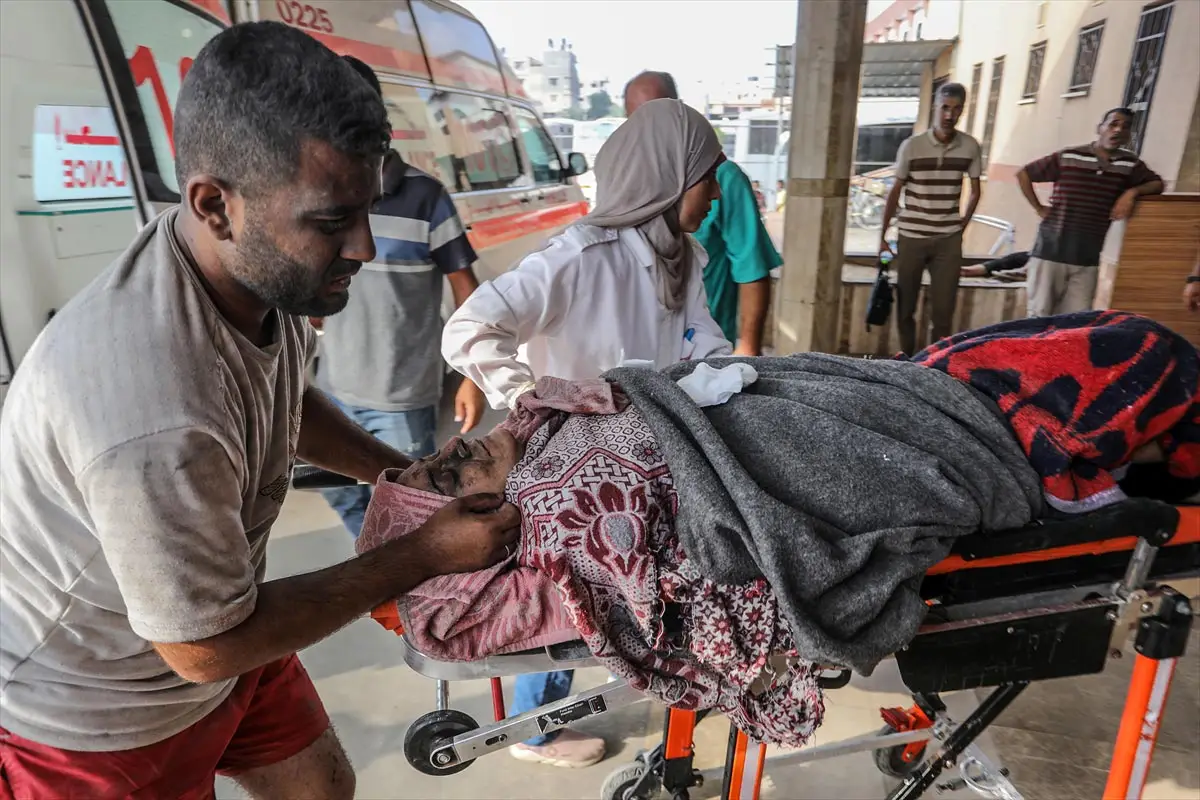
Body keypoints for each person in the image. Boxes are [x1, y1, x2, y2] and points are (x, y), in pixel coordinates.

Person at [0, 22, 519, 800]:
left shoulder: (239, 275)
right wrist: (422, 553)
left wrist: (406, 478)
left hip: (216, 618)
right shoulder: (152, 405)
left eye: (366, 209)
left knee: (319, 786)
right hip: (101, 710)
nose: (366, 248)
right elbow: (202, 648)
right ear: (215, 204)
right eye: (330, 221)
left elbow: (284, 394)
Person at [441, 97, 733, 768]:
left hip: (646, 462)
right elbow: (468, 329)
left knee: (628, 593)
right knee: (572, 603)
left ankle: (655, 678)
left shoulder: (681, 256)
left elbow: (701, 341)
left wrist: (734, 378)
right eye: (707, 176)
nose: (716, 192)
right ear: (666, 175)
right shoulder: (579, 256)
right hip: (572, 471)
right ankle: (535, 733)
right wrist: (539, 397)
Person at [313, 55, 487, 540]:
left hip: (401, 396)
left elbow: (465, 290)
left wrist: (472, 375)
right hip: (332, 389)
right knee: (340, 490)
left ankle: (409, 593)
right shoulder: (318, 191)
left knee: (412, 512)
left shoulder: (426, 197)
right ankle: (378, 566)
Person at [624, 70, 780, 355]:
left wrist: (748, 347)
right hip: (645, 353)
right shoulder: (626, 182)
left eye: (660, 114)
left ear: (680, 111)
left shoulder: (725, 178)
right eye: (638, 119)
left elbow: (751, 268)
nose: (650, 129)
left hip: (707, 350)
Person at [1016, 107, 1163, 317]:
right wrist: (1039, 208)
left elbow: (1157, 184)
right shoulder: (1069, 156)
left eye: (1125, 127)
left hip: (1088, 259)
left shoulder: (1129, 164)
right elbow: (1024, 174)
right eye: (1113, 124)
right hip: (1051, 252)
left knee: (1076, 322)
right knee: (1039, 317)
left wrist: (1132, 192)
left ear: (1129, 135)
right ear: (1100, 128)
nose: (1118, 130)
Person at [879, 83, 983, 355]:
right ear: (935, 108)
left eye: (956, 109)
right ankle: (910, 360)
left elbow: (975, 192)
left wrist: (962, 225)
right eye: (945, 108)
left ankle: (935, 364)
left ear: (962, 111)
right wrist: (882, 237)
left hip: (947, 240)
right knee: (905, 307)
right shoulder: (912, 146)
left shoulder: (970, 146)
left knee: (944, 310)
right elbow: (895, 192)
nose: (950, 115)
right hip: (912, 236)